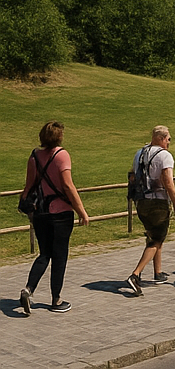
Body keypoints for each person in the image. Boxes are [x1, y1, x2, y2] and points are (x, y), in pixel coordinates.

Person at [19, 121, 90, 315]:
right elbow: (67, 186)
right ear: (59, 137)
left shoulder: (34, 156)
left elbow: (29, 186)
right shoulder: (61, 155)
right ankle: (56, 300)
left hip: (40, 212)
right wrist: (82, 211)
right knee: (59, 257)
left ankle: (28, 289)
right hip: (60, 213)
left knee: (44, 254)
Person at [126, 126, 175, 296]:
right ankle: (135, 275)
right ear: (161, 138)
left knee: (154, 235)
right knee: (156, 239)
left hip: (141, 200)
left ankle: (158, 272)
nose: (169, 142)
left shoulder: (140, 153)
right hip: (157, 202)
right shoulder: (164, 156)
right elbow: (168, 181)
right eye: (168, 139)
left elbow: (133, 176)